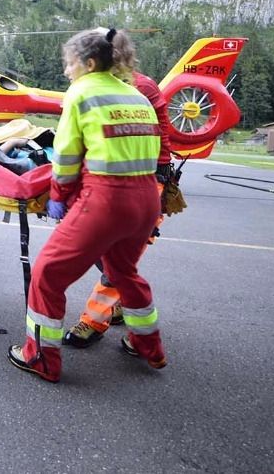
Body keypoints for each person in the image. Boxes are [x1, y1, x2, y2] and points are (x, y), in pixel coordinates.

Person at [7, 28, 166, 383]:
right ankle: (149, 346)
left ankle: (41, 357)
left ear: (89, 63)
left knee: (47, 273)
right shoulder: (135, 94)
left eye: (69, 63)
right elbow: (151, 151)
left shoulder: (81, 93)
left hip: (106, 200)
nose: (66, 71)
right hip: (145, 200)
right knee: (124, 273)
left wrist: (60, 198)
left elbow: (65, 157)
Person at [62, 29, 173, 349]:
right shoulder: (113, 85)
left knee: (114, 258)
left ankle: (93, 323)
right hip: (128, 182)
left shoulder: (139, 88)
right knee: (115, 258)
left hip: (144, 181)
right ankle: (133, 320)